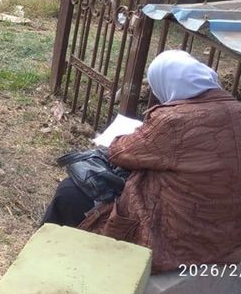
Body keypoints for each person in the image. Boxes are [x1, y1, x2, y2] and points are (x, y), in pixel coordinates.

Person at [41, 50, 241, 274]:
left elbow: (120, 152)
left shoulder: (173, 120)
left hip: (180, 241)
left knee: (69, 192)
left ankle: (47, 261)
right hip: (231, 238)